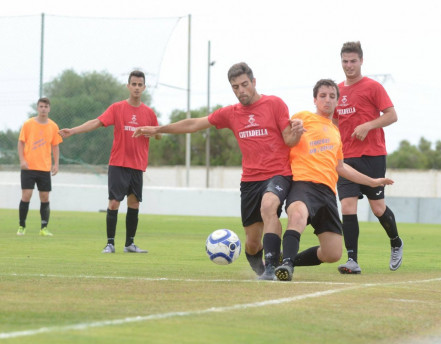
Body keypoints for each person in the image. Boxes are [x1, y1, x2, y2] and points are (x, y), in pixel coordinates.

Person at [133, 62, 304, 280]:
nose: (241, 90)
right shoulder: (230, 113)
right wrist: (159, 129)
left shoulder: (275, 104)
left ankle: (272, 267)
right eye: (235, 87)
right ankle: (262, 269)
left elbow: (289, 139)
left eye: (244, 84)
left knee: (269, 205)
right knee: (252, 243)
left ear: (253, 82)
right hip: (250, 180)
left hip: (278, 174)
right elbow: (194, 124)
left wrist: (297, 133)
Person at [274, 79, 394, 281]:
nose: (327, 100)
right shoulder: (302, 117)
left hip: (328, 192)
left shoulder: (335, 133)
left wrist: (372, 182)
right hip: (303, 184)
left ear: (338, 101)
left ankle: (287, 261)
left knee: (332, 253)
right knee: (298, 215)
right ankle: (286, 264)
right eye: (322, 96)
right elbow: (285, 136)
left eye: (332, 96)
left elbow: (341, 167)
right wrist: (294, 127)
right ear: (315, 99)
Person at [59, 70, 160, 254]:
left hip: (137, 165)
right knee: (114, 203)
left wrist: (151, 131)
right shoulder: (117, 108)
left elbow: (159, 134)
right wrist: (73, 131)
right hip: (118, 163)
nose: (137, 88)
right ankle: (110, 244)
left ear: (144, 88)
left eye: (140, 85)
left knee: (134, 204)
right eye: (134, 84)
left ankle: (130, 244)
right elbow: (96, 122)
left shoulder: (149, 113)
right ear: (128, 86)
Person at [333, 41, 403, 274]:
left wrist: (368, 126)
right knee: (347, 205)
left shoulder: (373, 87)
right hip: (344, 158)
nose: (349, 65)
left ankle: (395, 242)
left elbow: (392, 115)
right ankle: (352, 260)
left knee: (378, 208)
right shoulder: (336, 90)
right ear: (341, 62)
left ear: (361, 61)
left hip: (372, 155)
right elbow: (333, 121)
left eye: (353, 61)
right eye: (345, 61)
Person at [17, 97, 63, 236]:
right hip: (29, 167)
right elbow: (21, 142)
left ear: (49, 109)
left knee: (45, 197)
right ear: (38, 108)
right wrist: (22, 160)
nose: (43, 109)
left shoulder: (53, 126)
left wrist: (56, 164)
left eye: (46, 106)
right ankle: (22, 226)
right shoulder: (28, 124)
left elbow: (55, 145)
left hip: (44, 167)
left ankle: (44, 228)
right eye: (41, 106)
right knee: (27, 195)